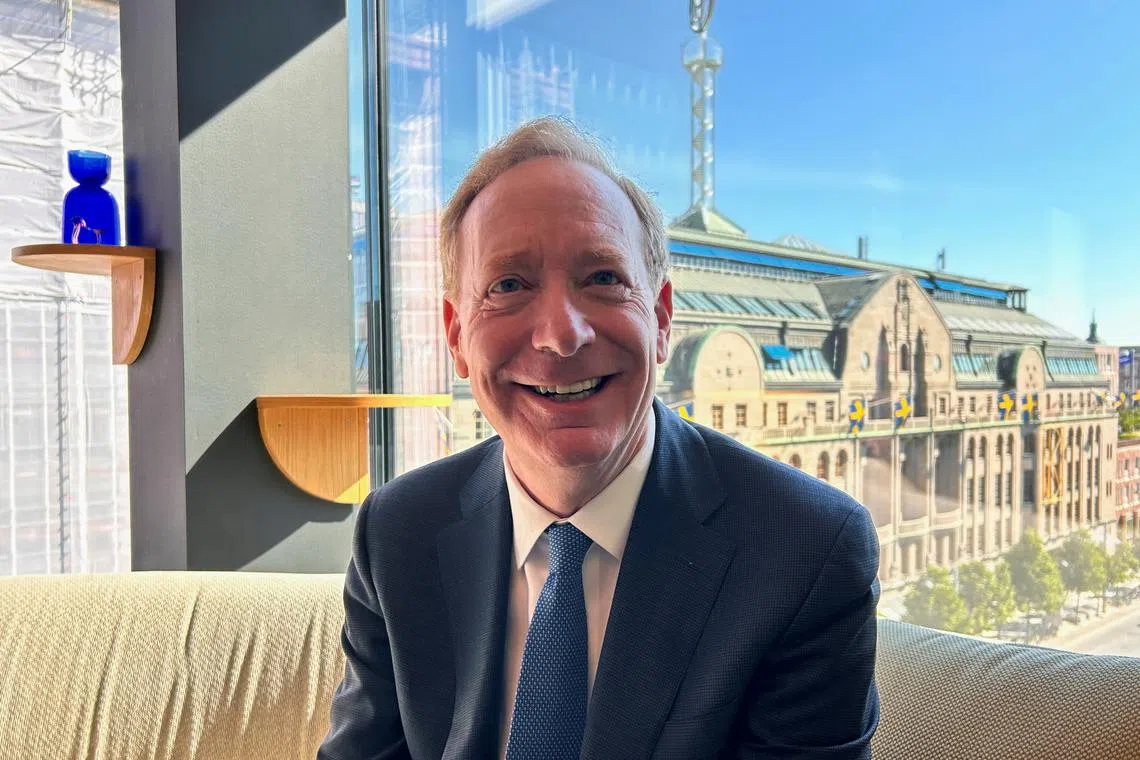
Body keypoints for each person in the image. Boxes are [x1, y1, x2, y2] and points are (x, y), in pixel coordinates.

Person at [318, 116, 880, 760]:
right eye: (509, 285)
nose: (562, 334)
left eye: (603, 278)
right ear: (455, 338)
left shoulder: (805, 549)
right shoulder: (397, 530)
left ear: (662, 320)